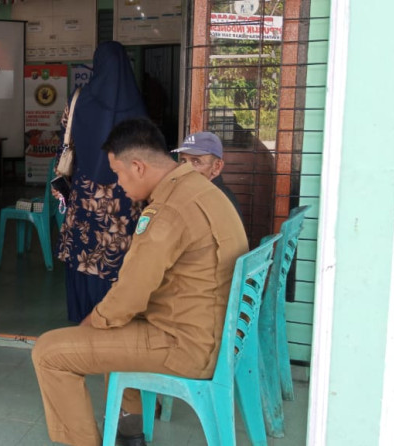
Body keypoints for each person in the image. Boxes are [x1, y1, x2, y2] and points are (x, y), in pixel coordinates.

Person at [32, 118, 248, 446]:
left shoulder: (168, 211)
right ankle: (131, 433)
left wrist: (89, 327)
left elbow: (129, 296)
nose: (119, 184)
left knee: (50, 351)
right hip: (212, 331)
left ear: (138, 166)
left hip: (187, 345)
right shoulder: (203, 190)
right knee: (116, 327)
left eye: (118, 173)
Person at [56, 41, 148, 323]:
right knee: (118, 254)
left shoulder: (80, 97)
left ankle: (83, 314)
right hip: (125, 193)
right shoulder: (137, 104)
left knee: (84, 254)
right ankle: (114, 314)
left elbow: (65, 134)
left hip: (86, 192)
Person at [172, 131, 244, 219]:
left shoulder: (217, 200)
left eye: (196, 161)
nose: (185, 168)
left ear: (217, 166)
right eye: (183, 161)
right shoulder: (196, 192)